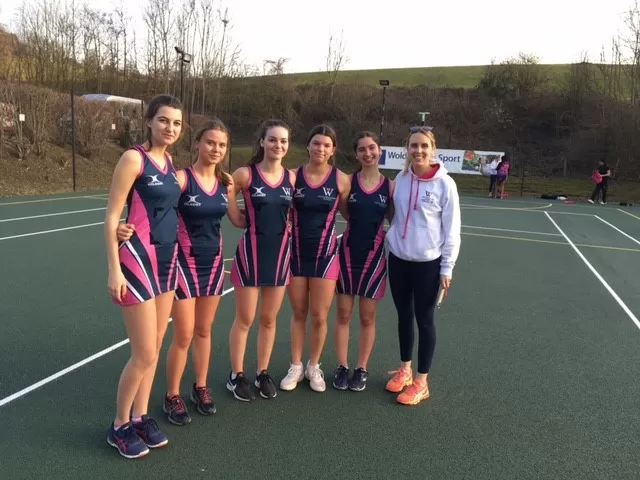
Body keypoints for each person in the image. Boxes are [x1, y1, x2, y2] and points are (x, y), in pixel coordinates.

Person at [116, 119, 245, 425]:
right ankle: (172, 395)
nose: (216, 149)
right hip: (184, 264)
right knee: (184, 334)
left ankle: (200, 387)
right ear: (197, 143)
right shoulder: (182, 178)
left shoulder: (226, 183)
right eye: (210, 142)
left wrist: (280, 218)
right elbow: (153, 204)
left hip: (214, 263)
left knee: (204, 330)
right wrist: (122, 225)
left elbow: (238, 219)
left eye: (222, 145)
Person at [104, 94, 183, 459]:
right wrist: (114, 268)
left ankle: (140, 417)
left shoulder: (170, 163)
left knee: (157, 345)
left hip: (167, 261)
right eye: (164, 120)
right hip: (137, 260)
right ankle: (119, 426)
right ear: (149, 121)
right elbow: (112, 216)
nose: (170, 127)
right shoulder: (133, 158)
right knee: (144, 352)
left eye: (177, 123)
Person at [384, 126, 461, 406]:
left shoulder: (445, 184)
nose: (418, 150)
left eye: (424, 146)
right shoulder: (401, 178)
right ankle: (405, 369)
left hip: (428, 264)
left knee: (424, 320)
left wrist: (447, 267)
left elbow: (452, 230)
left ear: (432, 149)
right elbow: (395, 216)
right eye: (414, 145)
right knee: (403, 316)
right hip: (399, 259)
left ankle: (421, 381)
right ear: (407, 149)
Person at [227, 119, 296, 402]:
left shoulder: (292, 178)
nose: (278, 145)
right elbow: (227, 196)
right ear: (262, 142)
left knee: (269, 319)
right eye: (273, 139)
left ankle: (262, 372)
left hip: (279, 256)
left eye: (283, 141)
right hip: (251, 255)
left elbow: (293, 211)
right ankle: (236, 375)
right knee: (245, 319)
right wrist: (237, 217)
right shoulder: (245, 174)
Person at [280, 124, 351, 393]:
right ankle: (296, 365)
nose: (321, 148)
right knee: (299, 313)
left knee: (320, 316)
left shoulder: (341, 180)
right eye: (316, 143)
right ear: (308, 146)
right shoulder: (292, 177)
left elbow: (349, 215)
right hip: (296, 255)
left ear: (333, 150)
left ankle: (313, 365)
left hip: (325, 256)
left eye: (326, 145)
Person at [332, 131, 394, 392]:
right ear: (356, 154)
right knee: (343, 314)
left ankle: (361, 368)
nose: (367, 153)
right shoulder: (348, 182)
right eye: (362, 149)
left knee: (367, 318)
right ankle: (342, 366)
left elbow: (393, 218)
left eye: (372, 148)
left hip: (374, 257)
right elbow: (345, 213)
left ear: (380, 150)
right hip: (347, 254)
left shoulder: (390, 186)